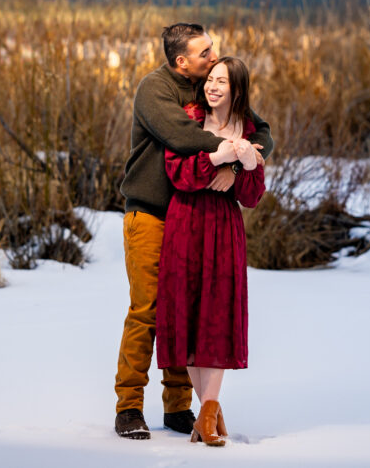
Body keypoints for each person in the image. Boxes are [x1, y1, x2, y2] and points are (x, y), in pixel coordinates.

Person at [114, 24, 274, 440]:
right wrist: (226, 153)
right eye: (205, 52)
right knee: (148, 311)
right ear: (181, 60)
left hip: (192, 217)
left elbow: (261, 133)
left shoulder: (210, 83)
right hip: (151, 213)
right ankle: (129, 407)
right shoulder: (156, 89)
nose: (213, 56)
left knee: (187, 308)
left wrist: (238, 162)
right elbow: (181, 136)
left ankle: (179, 407)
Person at [156, 57, 265, 446]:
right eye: (211, 79)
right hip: (185, 221)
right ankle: (209, 416)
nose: (213, 86)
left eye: (223, 81)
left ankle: (208, 412)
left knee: (216, 315)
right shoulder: (189, 117)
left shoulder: (249, 129)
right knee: (188, 313)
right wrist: (218, 158)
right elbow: (177, 173)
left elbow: (252, 197)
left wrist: (246, 166)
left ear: (237, 89)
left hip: (222, 226)